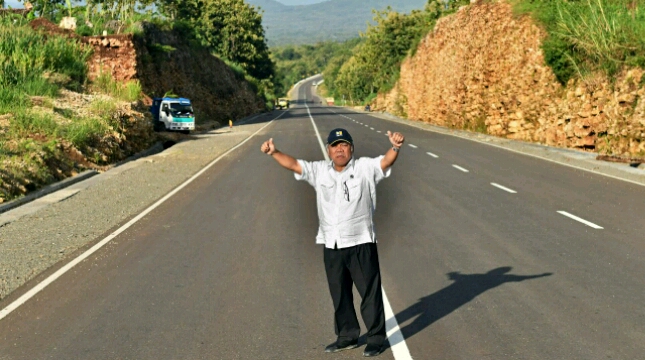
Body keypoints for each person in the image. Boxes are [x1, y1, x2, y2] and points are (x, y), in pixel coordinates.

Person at [260, 128, 405, 357]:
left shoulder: (365, 168)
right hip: (332, 244)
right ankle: (347, 336)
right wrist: (274, 152)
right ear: (328, 150)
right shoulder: (320, 171)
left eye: (344, 145)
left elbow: (386, 161)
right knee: (339, 294)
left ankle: (376, 338)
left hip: (360, 242)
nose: (340, 149)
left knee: (370, 293)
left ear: (351, 149)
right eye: (335, 145)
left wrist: (395, 146)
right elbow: (294, 165)